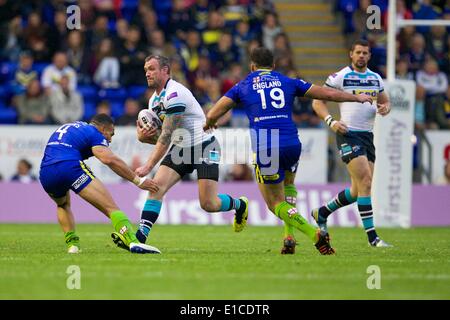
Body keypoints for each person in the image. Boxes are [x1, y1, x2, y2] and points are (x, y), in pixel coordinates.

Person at [204, 47, 374, 255]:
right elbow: (328, 93)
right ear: (273, 66)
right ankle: (289, 237)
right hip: (292, 143)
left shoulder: (243, 85)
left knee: (275, 203)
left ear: (252, 66)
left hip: (267, 146)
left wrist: (210, 122)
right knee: (289, 185)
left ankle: (314, 234)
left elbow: (214, 112)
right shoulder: (288, 81)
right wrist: (356, 98)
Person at [111, 55, 249, 250]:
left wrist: (149, 165)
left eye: (151, 69)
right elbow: (161, 137)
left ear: (165, 70)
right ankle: (140, 238)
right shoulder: (153, 101)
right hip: (181, 149)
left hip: (204, 146)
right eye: (145, 70)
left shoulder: (175, 94)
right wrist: (143, 137)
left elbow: (166, 135)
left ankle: (239, 205)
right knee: (156, 188)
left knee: (209, 204)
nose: (147, 73)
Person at [39, 114, 160, 254]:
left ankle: (73, 246)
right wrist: (138, 181)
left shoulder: (73, 127)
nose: (110, 139)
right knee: (111, 208)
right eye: (111, 134)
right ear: (103, 128)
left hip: (46, 172)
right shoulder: (94, 132)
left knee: (62, 204)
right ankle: (133, 241)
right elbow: (108, 159)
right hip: (69, 166)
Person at [310, 39, 392, 248]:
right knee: (365, 181)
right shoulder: (340, 76)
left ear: (369, 56)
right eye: (358, 52)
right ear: (351, 54)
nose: (361, 56)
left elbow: (384, 101)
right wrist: (332, 122)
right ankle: (373, 238)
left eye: (365, 53)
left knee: (358, 191)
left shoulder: (375, 78)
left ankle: (321, 212)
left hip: (367, 136)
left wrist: (385, 108)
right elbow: (317, 101)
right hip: (348, 134)